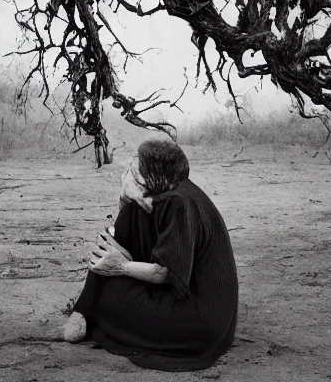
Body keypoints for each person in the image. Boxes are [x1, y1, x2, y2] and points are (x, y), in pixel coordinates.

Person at [62, 139, 239, 371]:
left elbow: (166, 273)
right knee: (134, 211)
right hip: (214, 318)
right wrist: (125, 197)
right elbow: (127, 224)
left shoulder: (178, 203)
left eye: (138, 170)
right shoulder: (178, 191)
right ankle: (86, 307)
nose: (132, 171)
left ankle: (86, 309)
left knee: (108, 294)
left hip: (198, 322)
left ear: (156, 173)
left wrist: (122, 267)